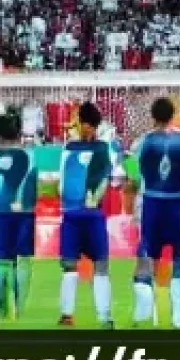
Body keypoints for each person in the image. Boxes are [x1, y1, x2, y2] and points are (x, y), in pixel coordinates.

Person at [126, 97, 180, 330]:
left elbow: (132, 179)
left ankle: (144, 302)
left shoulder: (141, 144)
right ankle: (179, 315)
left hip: (152, 206)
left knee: (146, 254)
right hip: (178, 206)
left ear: (152, 116)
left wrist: (132, 207)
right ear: (173, 115)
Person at [58, 101, 114, 328]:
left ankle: (104, 316)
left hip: (87, 215)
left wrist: (93, 197)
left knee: (99, 265)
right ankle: (68, 315)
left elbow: (103, 179)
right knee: (70, 266)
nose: (85, 128)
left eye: (87, 124)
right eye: (84, 124)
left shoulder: (91, 149)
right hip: (76, 214)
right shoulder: (79, 148)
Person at [0, 106, 37, 321]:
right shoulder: (31, 155)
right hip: (24, 212)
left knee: (0, 261)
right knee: (22, 260)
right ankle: (19, 311)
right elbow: (37, 184)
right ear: (19, 132)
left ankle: (0, 311)